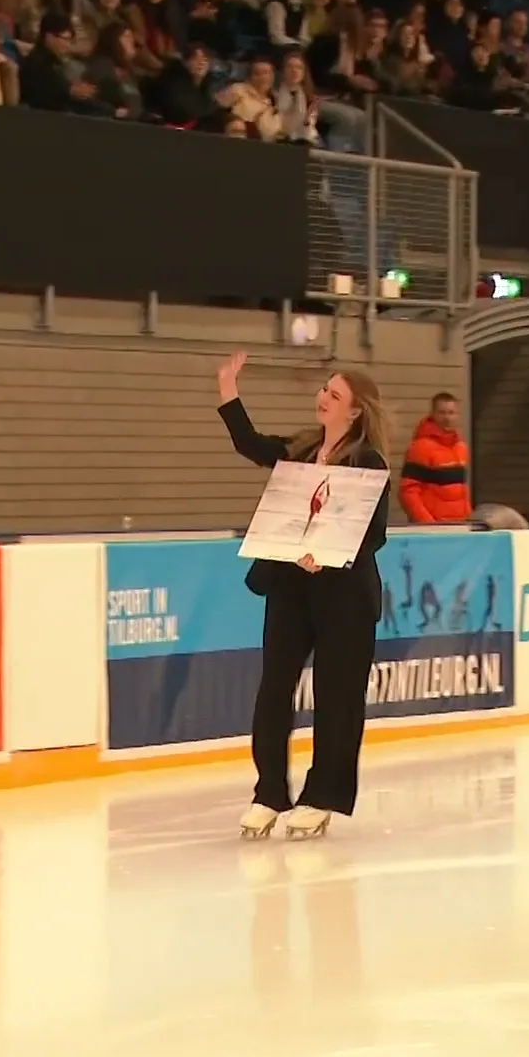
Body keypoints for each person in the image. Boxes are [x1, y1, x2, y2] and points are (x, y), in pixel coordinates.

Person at [215, 351, 392, 841]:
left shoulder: (367, 462)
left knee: (337, 697)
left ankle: (323, 795)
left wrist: (330, 552)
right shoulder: (298, 449)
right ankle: (269, 791)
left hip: (344, 597)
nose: (322, 398)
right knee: (274, 688)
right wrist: (228, 390)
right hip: (291, 587)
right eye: (323, 390)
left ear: (354, 412)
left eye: (334, 395)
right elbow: (251, 445)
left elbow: (374, 532)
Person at [400, 391, 471, 522]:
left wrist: (468, 517)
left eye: (451, 413)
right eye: (442, 413)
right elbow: (408, 492)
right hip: (433, 526)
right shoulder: (420, 448)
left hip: (460, 525)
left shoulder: (461, 448)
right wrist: (427, 522)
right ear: (433, 415)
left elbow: (462, 490)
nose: (447, 418)